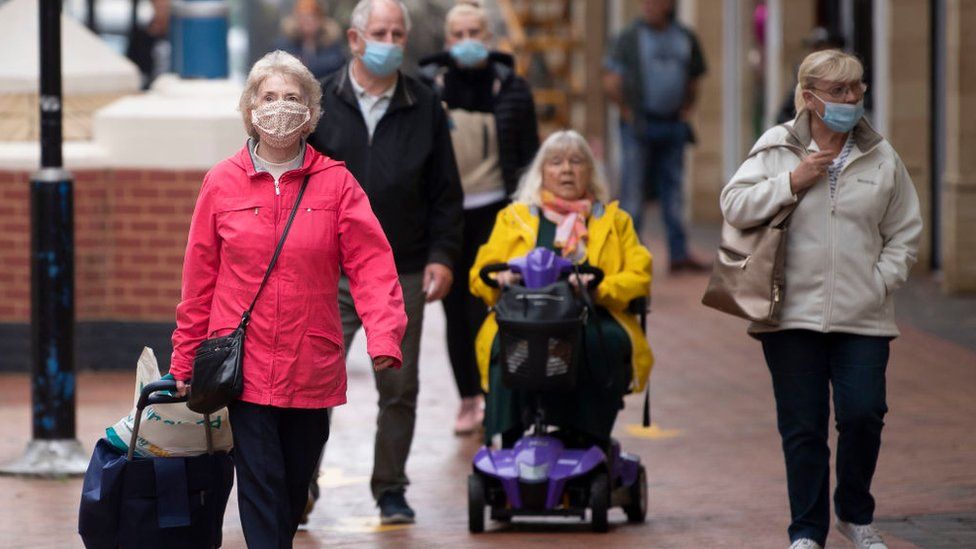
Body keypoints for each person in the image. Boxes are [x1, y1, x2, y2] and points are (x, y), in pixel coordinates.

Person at [168, 50, 407, 548]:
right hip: (244, 367)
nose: (280, 107)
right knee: (261, 485)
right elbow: (199, 281)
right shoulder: (221, 183)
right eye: (269, 97)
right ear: (250, 107)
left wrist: (383, 334)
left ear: (311, 113)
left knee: (294, 487)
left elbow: (371, 264)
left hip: (310, 363)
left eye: (292, 98)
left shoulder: (337, 184)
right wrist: (184, 360)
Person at [720, 50, 922, 549]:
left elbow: (905, 231)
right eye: (839, 91)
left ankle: (854, 515)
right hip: (790, 314)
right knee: (803, 428)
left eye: (856, 89)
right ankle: (806, 531)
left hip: (864, 314)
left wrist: (881, 281)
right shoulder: (776, 146)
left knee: (863, 413)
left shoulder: (881, 154)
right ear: (809, 97)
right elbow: (734, 205)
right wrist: (792, 181)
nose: (851, 99)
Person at [307, 0, 464, 525]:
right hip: (329, 270)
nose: (389, 42)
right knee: (312, 384)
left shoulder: (424, 101)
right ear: (355, 39)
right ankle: (300, 487)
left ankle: (391, 488)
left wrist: (443, 256)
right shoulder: (320, 100)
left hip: (404, 268)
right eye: (380, 32)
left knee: (399, 386)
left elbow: (446, 190)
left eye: (398, 33)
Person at [469, 130, 654, 449]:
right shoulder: (514, 218)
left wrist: (598, 289)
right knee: (506, 345)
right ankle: (509, 435)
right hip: (524, 316)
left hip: (595, 315)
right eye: (556, 162)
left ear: (590, 172)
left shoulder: (615, 221)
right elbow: (478, 274)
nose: (566, 169)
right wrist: (502, 280)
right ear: (541, 172)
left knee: (601, 343)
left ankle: (587, 436)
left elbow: (639, 276)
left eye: (576, 161)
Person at [418, 0, 539, 436]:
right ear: (448, 40)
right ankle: (468, 398)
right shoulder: (428, 87)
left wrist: (528, 214)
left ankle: (499, 394)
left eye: (476, 33)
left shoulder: (511, 88)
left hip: (497, 213)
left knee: (494, 306)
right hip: (448, 217)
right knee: (455, 310)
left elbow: (530, 157)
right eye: (459, 35)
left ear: (488, 38)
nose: (468, 42)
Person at [603, 0, 708, 273]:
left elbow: (694, 78)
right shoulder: (628, 37)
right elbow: (610, 79)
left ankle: (678, 254)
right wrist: (626, 111)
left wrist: (686, 109)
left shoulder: (685, 38)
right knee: (633, 191)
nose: (648, 6)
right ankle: (628, 254)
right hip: (638, 125)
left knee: (674, 191)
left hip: (672, 124)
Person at [272, 0, 347, 80]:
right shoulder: (284, 44)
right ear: (296, 19)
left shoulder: (331, 44)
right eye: (303, 17)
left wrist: (302, 65)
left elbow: (336, 64)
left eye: (313, 16)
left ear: (321, 19)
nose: (308, 21)